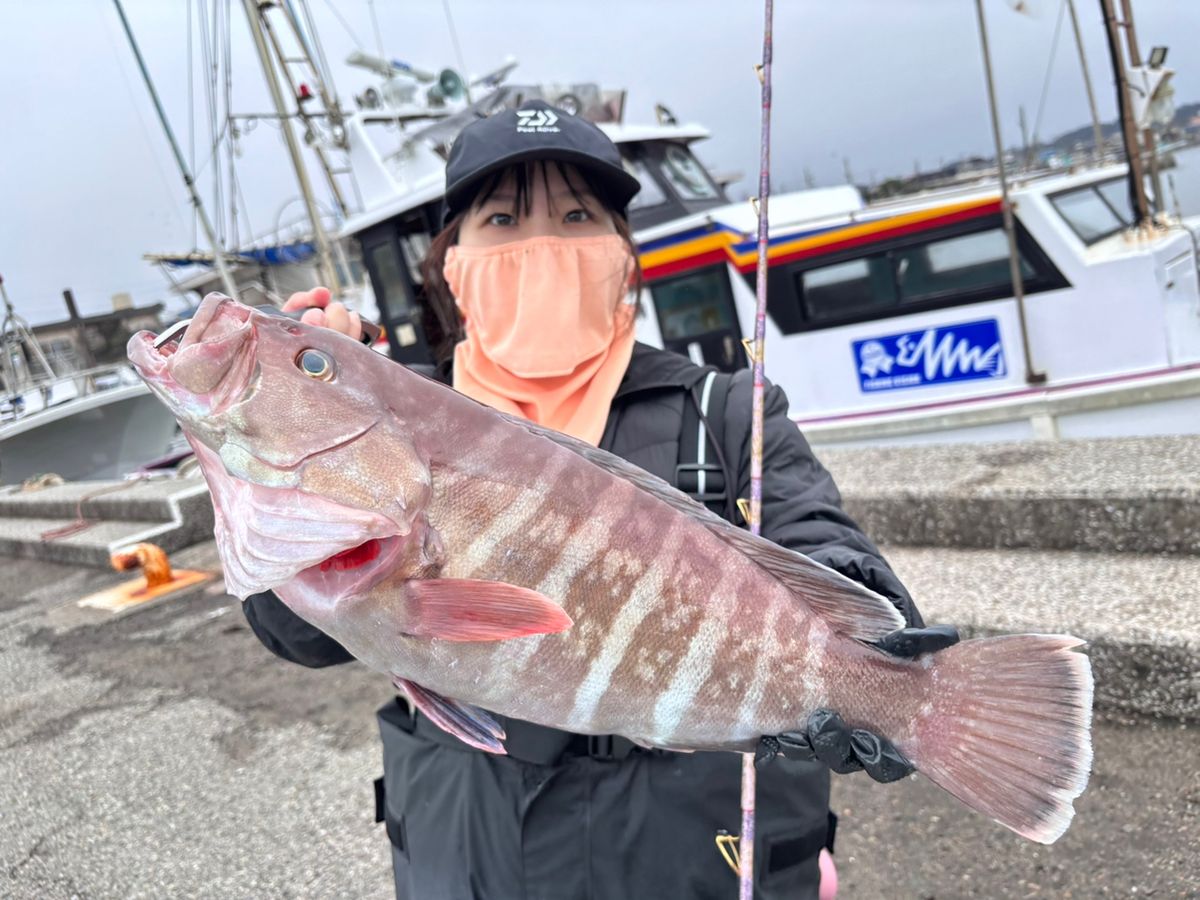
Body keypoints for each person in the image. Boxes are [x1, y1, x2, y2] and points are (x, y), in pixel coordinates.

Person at [242, 100, 954, 899]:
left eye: (578, 215)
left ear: (623, 253)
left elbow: (817, 533)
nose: (541, 244)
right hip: (477, 850)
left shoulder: (724, 410)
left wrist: (868, 648)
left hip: (690, 853)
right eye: (503, 219)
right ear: (451, 262)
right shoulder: (394, 415)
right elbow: (299, 637)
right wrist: (293, 415)